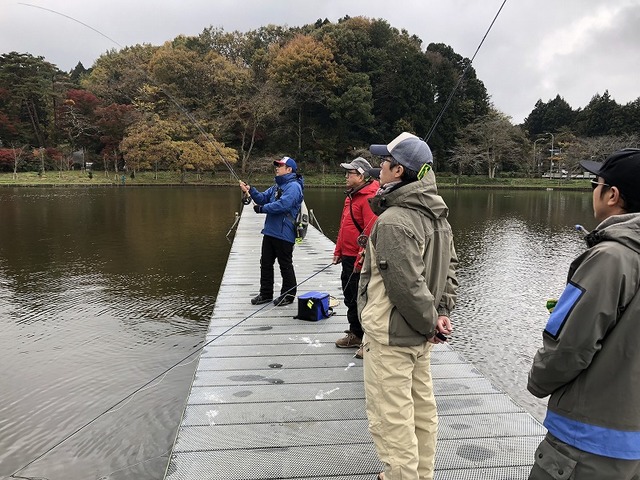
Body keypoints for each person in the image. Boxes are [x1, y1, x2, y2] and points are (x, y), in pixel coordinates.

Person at [527, 148, 640, 480]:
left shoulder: (610, 257)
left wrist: (537, 380)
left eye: (596, 182)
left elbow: (570, 347)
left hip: (588, 440)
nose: (594, 190)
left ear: (612, 195)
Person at [358, 132, 458, 480]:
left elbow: (407, 287)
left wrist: (432, 322)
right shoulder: (439, 217)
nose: (378, 168)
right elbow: (449, 272)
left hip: (391, 338)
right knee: (421, 413)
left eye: (384, 162)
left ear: (397, 170)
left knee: (392, 418)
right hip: (419, 338)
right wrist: (441, 314)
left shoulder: (393, 221)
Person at [240, 156, 304, 306]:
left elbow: (283, 205)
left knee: (285, 264)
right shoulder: (276, 186)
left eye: (280, 166)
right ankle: (266, 294)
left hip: (285, 233)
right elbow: (262, 198)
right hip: (270, 231)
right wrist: (251, 190)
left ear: (289, 170)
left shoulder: (294, 187)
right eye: (277, 165)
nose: (277, 167)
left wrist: (262, 209)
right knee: (266, 263)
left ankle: (288, 295)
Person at [333, 157, 379, 359]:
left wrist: (364, 256)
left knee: (364, 300)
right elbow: (345, 226)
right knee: (350, 296)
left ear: (361, 176)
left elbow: (372, 232)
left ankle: (368, 341)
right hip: (348, 257)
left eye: (350, 173)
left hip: (361, 259)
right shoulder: (351, 196)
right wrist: (338, 251)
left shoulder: (369, 198)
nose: (346, 177)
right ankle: (355, 334)